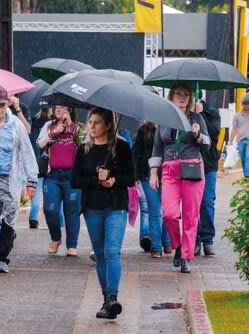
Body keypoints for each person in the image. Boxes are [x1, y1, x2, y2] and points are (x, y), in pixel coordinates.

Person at [71, 107, 136, 319]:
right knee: (100, 255)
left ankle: (112, 297)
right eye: (90, 122)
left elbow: (131, 178)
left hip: (115, 207)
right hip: (92, 208)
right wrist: (95, 180)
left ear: (108, 125)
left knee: (112, 252)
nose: (91, 126)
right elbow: (75, 180)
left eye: (97, 122)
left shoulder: (122, 147)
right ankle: (106, 300)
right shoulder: (83, 150)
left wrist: (113, 180)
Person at [149, 84, 210, 274]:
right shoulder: (164, 120)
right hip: (169, 170)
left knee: (191, 216)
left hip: (192, 167)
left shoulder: (196, 118)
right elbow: (157, 148)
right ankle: (177, 245)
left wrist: (198, 134)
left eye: (186, 95)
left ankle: (186, 256)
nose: (182, 98)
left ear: (190, 98)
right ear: (172, 96)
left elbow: (207, 145)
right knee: (169, 213)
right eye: (178, 94)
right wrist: (153, 173)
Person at [0, 86, 38, 273]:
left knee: (8, 221)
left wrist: (32, 180)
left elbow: (27, 151)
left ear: (7, 104)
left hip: (8, 181)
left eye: (2, 106)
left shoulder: (15, 125)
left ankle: (3, 258)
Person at [37, 105, 84, 256]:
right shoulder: (48, 126)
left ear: (69, 110)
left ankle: (72, 245)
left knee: (72, 212)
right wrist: (54, 133)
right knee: (50, 209)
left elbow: (84, 145)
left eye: (63, 107)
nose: (58, 110)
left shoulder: (77, 128)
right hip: (53, 176)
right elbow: (39, 144)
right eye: (57, 107)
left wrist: (70, 126)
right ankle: (56, 238)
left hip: (72, 177)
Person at [133, 121, 171, 258]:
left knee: (168, 210)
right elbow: (136, 152)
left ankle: (167, 241)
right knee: (154, 210)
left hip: (168, 172)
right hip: (148, 173)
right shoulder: (144, 130)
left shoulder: (169, 128)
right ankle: (156, 246)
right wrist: (136, 175)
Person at [194, 95, 221, 257]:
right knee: (193, 205)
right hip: (191, 164)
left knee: (207, 202)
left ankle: (207, 240)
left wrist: (201, 114)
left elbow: (213, 133)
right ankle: (194, 241)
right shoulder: (185, 113)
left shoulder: (212, 112)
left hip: (209, 164)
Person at [28, 107, 54, 229]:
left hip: (34, 162)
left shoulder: (33, 121)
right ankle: (60, 221)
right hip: (48, 162)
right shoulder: (52, 124)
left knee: (35, 191)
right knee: (52, 195)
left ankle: (33, 217)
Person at [228, 99, 249, 177]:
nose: (246, 105)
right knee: (243, 159)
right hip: (240, 140)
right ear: (242, 104)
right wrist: (230, 141)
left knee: (248, 157)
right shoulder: (237, 115)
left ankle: (247, 176)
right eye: (245, 103)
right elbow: (234, 129)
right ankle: (245, 173)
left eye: (248, 103)